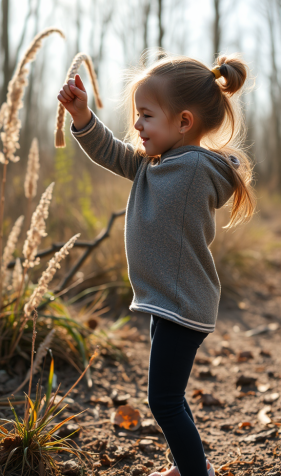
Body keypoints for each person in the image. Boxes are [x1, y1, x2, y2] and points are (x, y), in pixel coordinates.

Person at [57, 51, 256, 476]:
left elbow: (215, 163)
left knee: (162, 400)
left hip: (183, 305)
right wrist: (82, 117)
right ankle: (190, 462)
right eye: (136, 116)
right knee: (172, 395)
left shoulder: (196, 168)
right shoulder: (158, 164)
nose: (137, 127)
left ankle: (194, 472)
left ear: (184, 122)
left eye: (146, 115)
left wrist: (228, 161)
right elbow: (112, 153)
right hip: (165, 300)